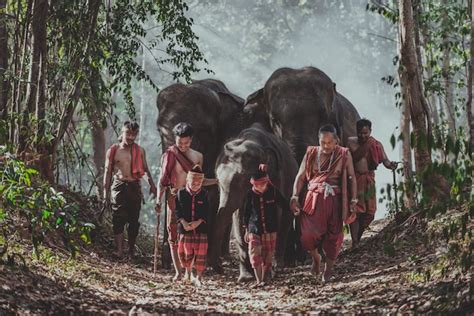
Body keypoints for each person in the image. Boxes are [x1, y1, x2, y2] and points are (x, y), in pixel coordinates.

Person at [290, 124, 357, 283]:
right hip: (312, 200)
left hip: (335, 201)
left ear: (336, 141)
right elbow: (300, 177)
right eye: (322, 142)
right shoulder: (311, 153)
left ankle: (328, 270)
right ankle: (316, 258)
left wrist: (354, 200)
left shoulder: (343, 154)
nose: (326, 146)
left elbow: (352, 177)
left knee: (334, 237)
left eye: (329, 142)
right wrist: (294, 196)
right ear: (318, 141)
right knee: (306, 236)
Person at [156, 122, 217, 281]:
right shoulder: (169, 155)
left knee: (195, 235)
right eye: (180, 142)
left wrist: (218, 181)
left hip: (194, 198)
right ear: (174, 139)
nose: (183, 145)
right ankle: (178, 272)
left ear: (191, 140)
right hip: (175, 197)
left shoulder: (198, 156)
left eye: (186, 142)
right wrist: (158, 199)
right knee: (174, 235)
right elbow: (162, 180)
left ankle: (194, 272)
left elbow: (199, 180)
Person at [103, 121, 157, 258]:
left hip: (134, 187)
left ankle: (131, 250)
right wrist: (105, 193)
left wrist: (152, 185)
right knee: (118, 218)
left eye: (134, 134)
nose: (131, 137)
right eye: (128, 133)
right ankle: (120, 250)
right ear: (122, 131)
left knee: (134, 221)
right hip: (119, 185)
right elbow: (108, 172)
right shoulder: (114, 150)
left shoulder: (140, 151)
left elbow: (144, 170)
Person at [347, 118, 397, 248]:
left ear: (370, 131)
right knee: (356, 210)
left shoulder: (376, 144)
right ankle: (355, 242)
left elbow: (385, 160)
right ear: (357, 132)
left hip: (369, 179)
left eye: (366, 133)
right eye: (360, 133)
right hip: (356, 180)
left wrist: (391, 165)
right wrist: (367, 144)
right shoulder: (351, 142)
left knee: (370, 212)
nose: (363, 136)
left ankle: (357, 237)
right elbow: (356, 157)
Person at [243, 164, 288, 287]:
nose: (260, 187)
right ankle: (258, 280)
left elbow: (284, 204)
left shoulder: (273, 191)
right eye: (257, 185)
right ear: (253, 184)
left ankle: (264, 278)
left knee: (268, 255)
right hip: (254, 229)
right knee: (254, 253)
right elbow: (246, 213)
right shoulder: (250, 194)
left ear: (267, 182)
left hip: (270, 229)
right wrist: (246, 230)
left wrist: (294, 208)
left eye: (262, 185)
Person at [175, 165, 209, 286]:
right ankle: (188, 273)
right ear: (188, 181)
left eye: (198, 184)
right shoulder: (181, 193)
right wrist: (183, 222)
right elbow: (177, 210)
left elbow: (207, 211)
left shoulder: (204, 194)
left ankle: (199, 277)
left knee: (201, 254)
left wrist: (198, 222)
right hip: (185, 229)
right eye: (193, 183)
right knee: (186, 252)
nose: (196, 186)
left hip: (200, 229)